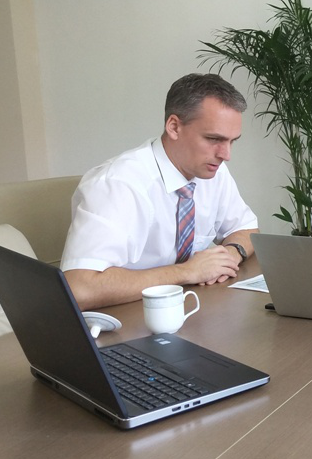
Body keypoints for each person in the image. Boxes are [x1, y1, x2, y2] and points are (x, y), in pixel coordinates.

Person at [62, 73, 259, 311]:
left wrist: (230, 255)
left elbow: (247, 229)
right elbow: (79, 288)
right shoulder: (117, 184)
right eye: (213, 139)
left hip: (186, 308)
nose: (225, 155)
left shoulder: (212, 170)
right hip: (122, 316)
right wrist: (187, 271)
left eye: (232, 141)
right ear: (174, 127)